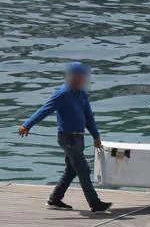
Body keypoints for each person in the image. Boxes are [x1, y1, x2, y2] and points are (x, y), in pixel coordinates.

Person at [18, 62, 112, 213]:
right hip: (67, 139)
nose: (84, 80)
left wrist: (96, 135)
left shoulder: (82, 94)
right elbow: (44, 110)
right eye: (81, 76)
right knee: (83, 169)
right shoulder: (62, 94)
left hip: (79, 138)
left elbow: (88, 117)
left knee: (71, 170)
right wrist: (27, 125)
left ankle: (54, 199)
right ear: (73, 77)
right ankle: (95, 203)